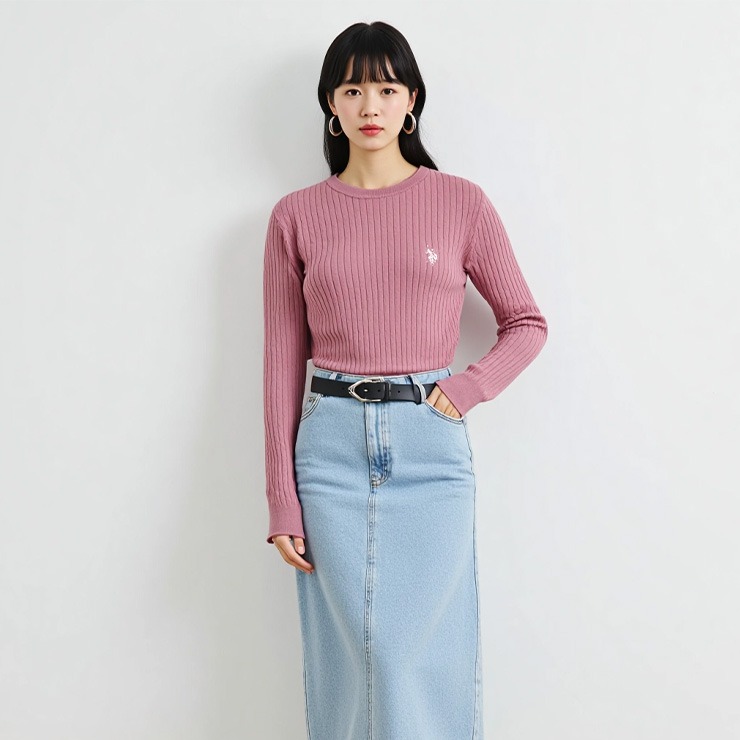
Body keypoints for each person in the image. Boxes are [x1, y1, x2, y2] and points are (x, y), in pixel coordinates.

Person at [262, 20, 548, 740]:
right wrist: (281, 498)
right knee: (349, 660)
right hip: (329, 453)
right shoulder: (295, 217)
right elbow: (280, 360)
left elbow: (526, 323)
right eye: (353, 89)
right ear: (331, 104)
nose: (371, 106)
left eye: (387, 89)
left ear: (412, 100)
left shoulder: (460, 203)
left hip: (430, 450)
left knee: (419, 657)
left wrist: (465, 389)